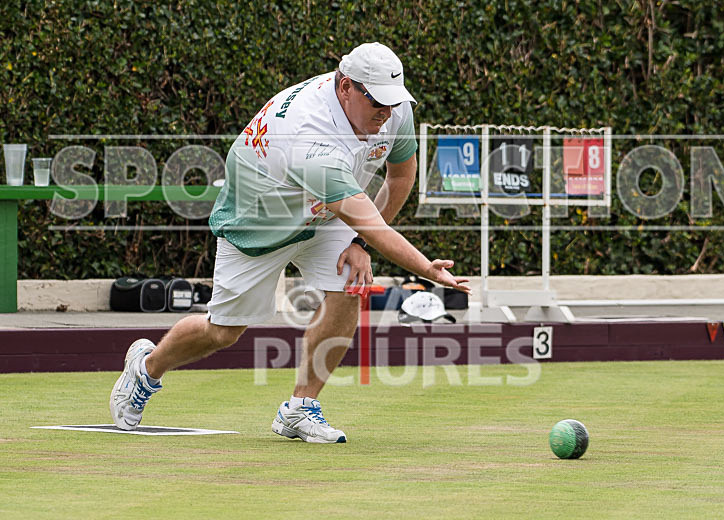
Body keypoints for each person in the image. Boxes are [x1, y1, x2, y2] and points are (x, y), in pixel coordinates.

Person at [110, 42, 470, 443]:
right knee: (223, 332)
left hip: (324, 208)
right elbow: (372, 224)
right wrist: (425, 268)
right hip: (261, 218)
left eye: (393, 102)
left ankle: (300, 409)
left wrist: (358, 245)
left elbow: (400, 177)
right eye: (377, 103)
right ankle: (146, 368)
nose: (386, 114)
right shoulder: (308, 135)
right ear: (346, 86)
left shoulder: (394, 110)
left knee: (349, 287)